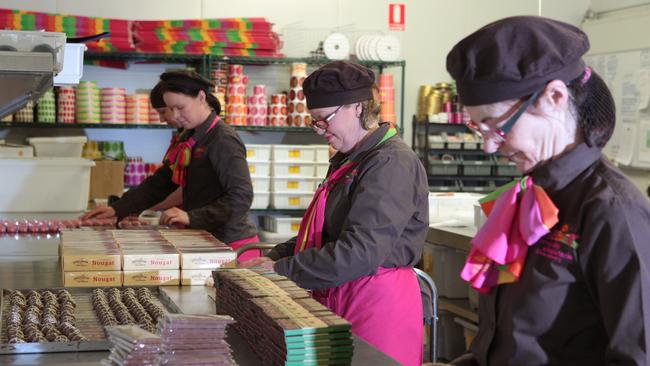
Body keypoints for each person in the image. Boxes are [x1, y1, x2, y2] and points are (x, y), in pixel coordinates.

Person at [442, 16, 650, 366]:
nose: (490, 148)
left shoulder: (613, 211)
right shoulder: (529, 195)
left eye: (498, 126)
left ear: (553, 97)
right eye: (480, 128)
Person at [240, 61, 429, 366]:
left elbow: (360, 252)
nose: (319, 131)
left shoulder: (391, 163)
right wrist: (276, 256)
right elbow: (327, 232)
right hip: (342, 290)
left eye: (323, 120)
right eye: (315, 122)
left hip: (377, 302)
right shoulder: (349, 159)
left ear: (356, 107)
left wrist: (282, 270)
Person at [82, 70, 260, 260]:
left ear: (201, 97)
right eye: (170, 108)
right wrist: (118, 208)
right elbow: (161, 182)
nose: (175, 115)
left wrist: (192, 217)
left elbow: (241, 197)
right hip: (206, 240)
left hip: (231, 246)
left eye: (180, 107)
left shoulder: (223, 140)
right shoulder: (192, 137)